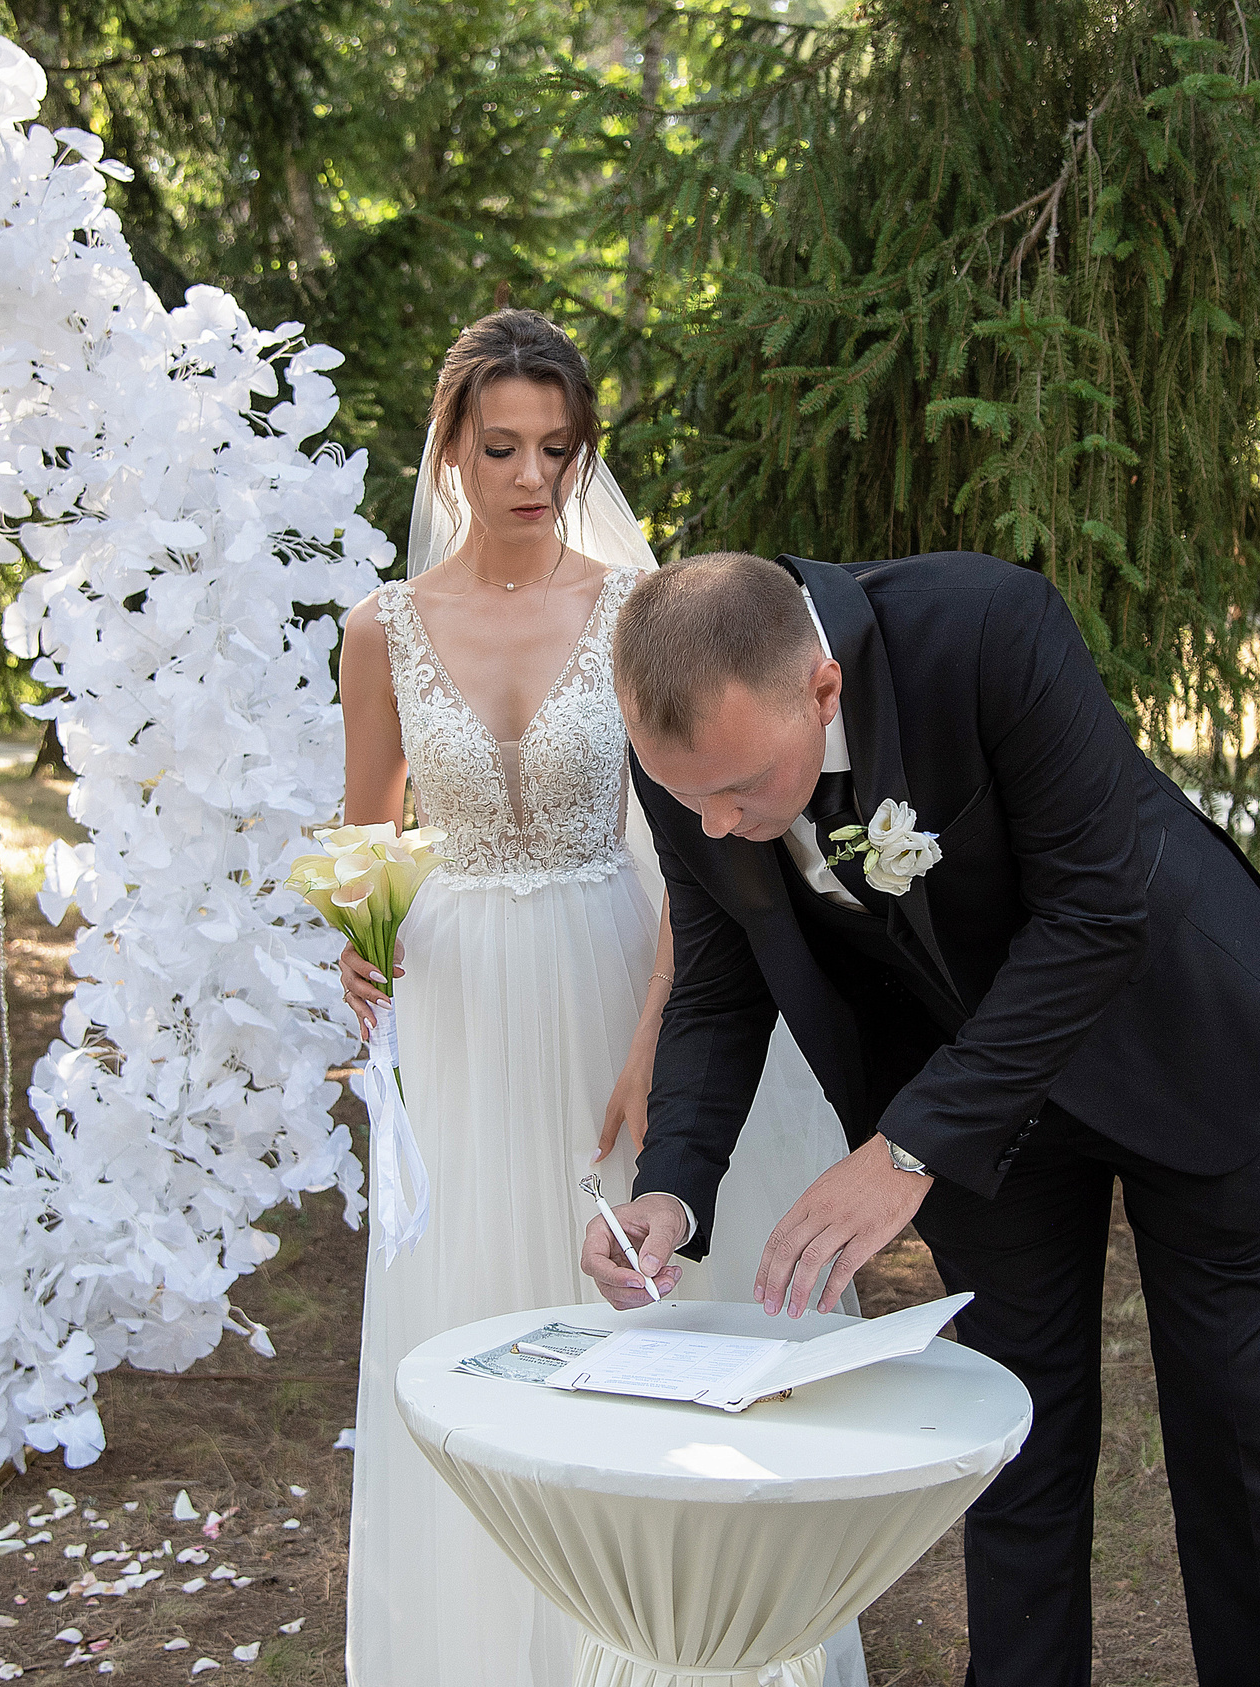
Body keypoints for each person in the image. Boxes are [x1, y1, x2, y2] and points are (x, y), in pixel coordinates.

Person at [581, 551, 1260, 1687]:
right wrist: (671, 1188)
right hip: (975, 1111)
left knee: (1237, 1429)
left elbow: (1096, 909)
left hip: (1181, 1044)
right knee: (1013, 1436)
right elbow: (719, 977)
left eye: (741, 787)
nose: (721, 823)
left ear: (823, 691)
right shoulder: (685, 761)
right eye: (690, 798)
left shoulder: (988, 629)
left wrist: (909, 1144)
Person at [334, 314, 867, 1687]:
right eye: (501, 445)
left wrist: (646, 1042)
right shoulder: (379, 632)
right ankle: (490, 1646)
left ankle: (668, 1639)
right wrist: (360, 936)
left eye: (556, 448)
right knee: (473, 1310)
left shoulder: (635, 608)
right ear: (449, 442)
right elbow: (368, 833)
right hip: (455, 1004)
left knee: (632, 1301)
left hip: (612, 968)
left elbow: (699, 851)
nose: (530, 474)